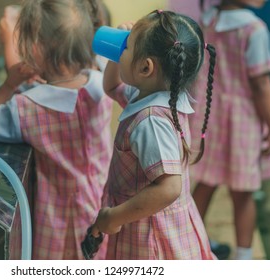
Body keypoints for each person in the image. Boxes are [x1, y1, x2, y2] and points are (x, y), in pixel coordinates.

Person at [0, 0, 113, 260]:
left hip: (61, 224)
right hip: (103, 207)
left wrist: (10, 82)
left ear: (35, 48)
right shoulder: (102, 86)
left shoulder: (28, 108)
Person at [89, 9, 217, 259]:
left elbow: (169, 187)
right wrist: (119, 54)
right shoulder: (156, 95)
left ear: (146, 67)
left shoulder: (151, 121)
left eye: (126, 47)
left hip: (152, 237)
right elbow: (112, 87)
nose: (121, 48)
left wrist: (114, 216)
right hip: (151, 224)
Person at [190, 0, 270, 260]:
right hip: (242, 121)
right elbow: (261, 83)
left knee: (205, 183)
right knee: (243, 194)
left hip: (210, 117)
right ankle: (243, 258)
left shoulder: (207, 20)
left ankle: (192, 242)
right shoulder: (254, 29)